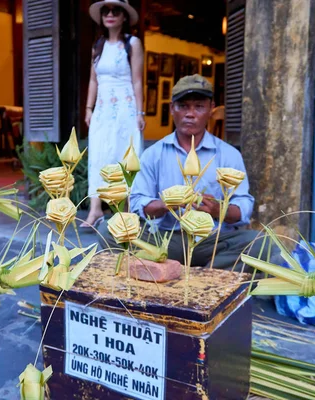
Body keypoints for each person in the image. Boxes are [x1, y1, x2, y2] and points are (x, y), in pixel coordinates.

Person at [98, 74, 269, 269]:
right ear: (172, 109)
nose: (190, 113)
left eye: (199, 106)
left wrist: (217, 210)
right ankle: (174, 269)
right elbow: (137, 203)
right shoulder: (153, 154)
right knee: (109, 229)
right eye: (183, 106)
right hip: (165, 238)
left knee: (263, 243)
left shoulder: (229, 155)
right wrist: (165, 204)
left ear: (211, 109)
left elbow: (243, 208)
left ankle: (200, 277)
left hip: (211, 241)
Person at [81, 0, 145, 229]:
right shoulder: (97, 46)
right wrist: (88, 109)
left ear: (124, 16)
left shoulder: (132, 44)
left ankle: (127, 212)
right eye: (105, 11)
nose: (110, 15)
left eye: (115, 11)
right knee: (98, 156)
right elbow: (93, 80)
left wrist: (140, 112)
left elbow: (137, 80)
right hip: (103, 109)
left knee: (126, 155)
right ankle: (95, 210)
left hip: (125, 109)